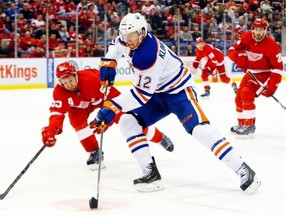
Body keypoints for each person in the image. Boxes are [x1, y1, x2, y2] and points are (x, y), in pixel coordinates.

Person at [94, 12, 261, 193]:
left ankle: (243, 169)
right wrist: (109, 61)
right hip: (157, 94)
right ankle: (150, 172)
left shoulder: (148, 54)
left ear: (142, 32)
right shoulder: (126, 39)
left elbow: (141, 95)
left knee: (200, 130)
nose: (128, 39)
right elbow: (115, 46)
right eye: (125, 35)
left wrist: (113, 105)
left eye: (131, 35)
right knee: (128, 121)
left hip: (178, 92)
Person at [41, 61, 174, 171]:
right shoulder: (60, 92)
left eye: (70, 80)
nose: (68, 85)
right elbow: (57, 113)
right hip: (79, 107)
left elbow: (116, 99)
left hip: (104, 101)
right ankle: (94, 152)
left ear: (75, 75)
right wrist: (51, 130)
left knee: (128, 120)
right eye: (64, 82)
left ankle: (160, 138)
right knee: (76, 122)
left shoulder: (92, 80)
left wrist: (106, 121)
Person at [228, 18, 284, 136]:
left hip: (265, 73)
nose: (258, 32)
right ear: (252, 29)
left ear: (266, 31)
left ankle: (249, 125)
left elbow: (278, 69)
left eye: (261, 30)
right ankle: (242, 123)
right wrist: (237, 57)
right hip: (251, 72)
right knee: (238, 97)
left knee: (246, 93)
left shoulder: (272, 46)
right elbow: (233, 49)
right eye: (256, 29)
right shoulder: (246, 37)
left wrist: (272, 86)